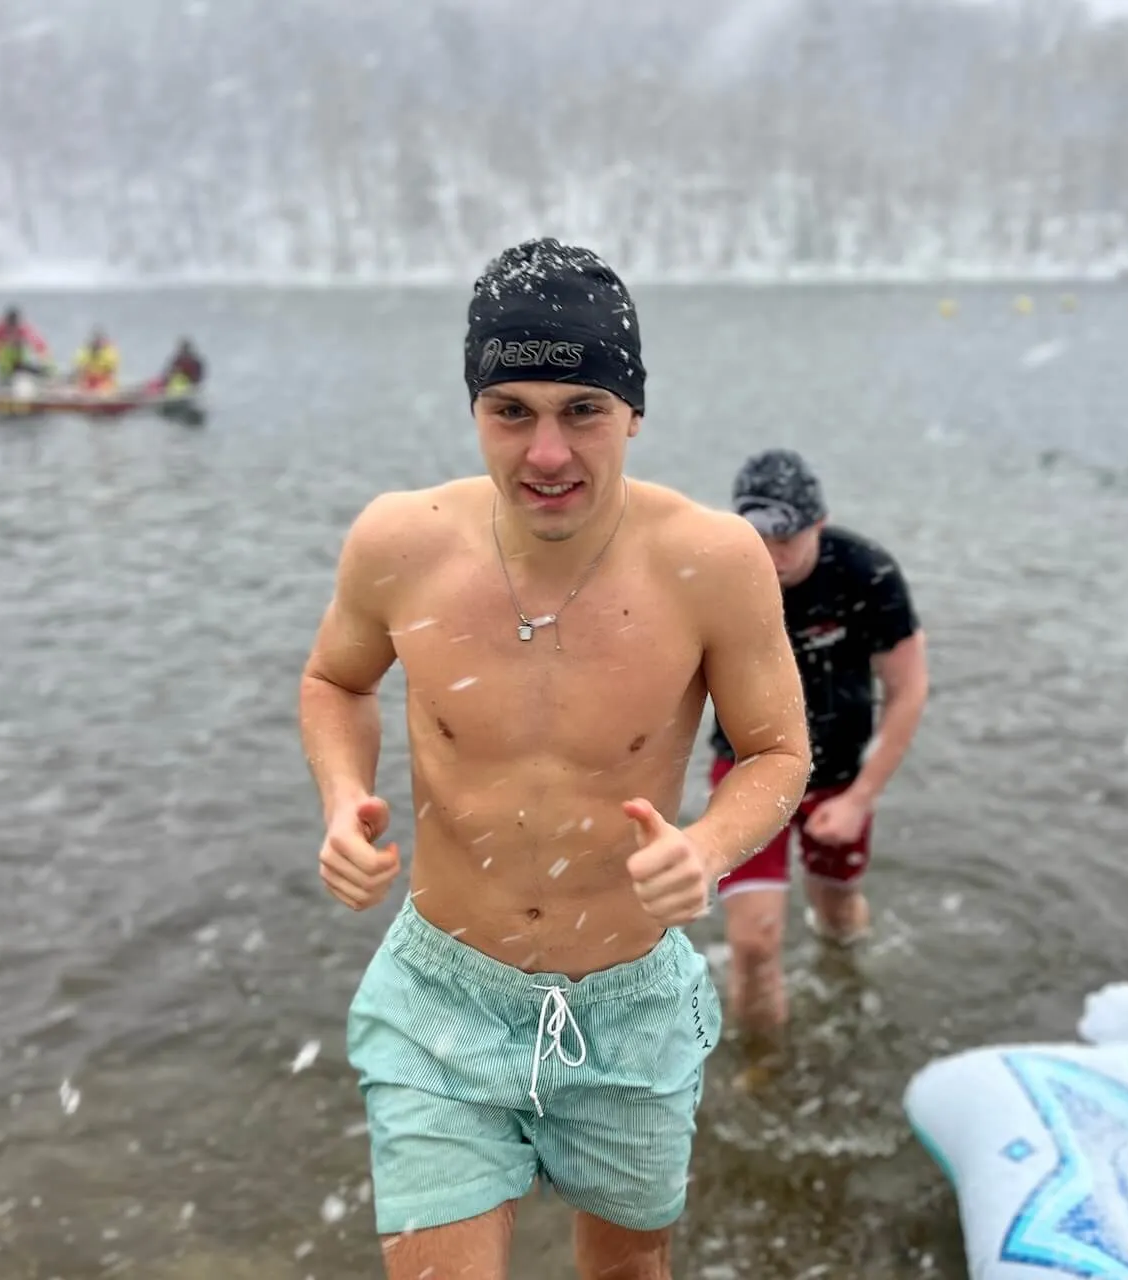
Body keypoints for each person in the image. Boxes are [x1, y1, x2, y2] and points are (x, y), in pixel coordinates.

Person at [299, 237, 810, 1280]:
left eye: (582, 409)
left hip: (628, 1002)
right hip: (442, 996)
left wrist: (707, 848)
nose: (546, 452)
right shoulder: (399, 542)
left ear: (633, 411)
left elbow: (777, 750)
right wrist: (344, 797)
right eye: (511, 411)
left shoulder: (712, 560)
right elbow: (335, 681)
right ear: (474, 409)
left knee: (627, 1271)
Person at [706, 449, 928, 1033]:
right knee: (754, 944)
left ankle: (849, 1000)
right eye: (757, 537)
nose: (771, 554)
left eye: (786, 538)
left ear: (819, 524)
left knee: (839, 917)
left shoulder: (866, 573)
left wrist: (861, 798)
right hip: (749, 769)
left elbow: (907, 689)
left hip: (838, 777)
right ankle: (764, 1069)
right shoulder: (718, 575)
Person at [0, 306, 51, 382]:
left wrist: (43, 358)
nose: (12, 328)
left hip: (18, 364)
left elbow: (39, 344)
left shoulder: (23, 330)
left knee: (34, 368)